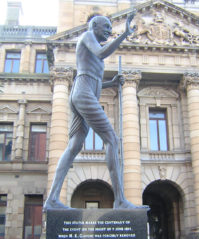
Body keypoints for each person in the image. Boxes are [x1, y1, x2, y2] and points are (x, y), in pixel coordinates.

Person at [43, 13, 148, 211]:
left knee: (74, 146)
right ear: (94, 26)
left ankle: (52, 200)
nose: (109, 30)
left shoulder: (92, 45)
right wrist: (124, 34)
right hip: (83, 92)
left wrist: (112, 82)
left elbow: (94, 79)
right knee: (112, 139)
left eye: (111, 27)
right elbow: (101, 54)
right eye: (106, 26)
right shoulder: (87, 36)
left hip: (83, 90)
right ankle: (119, 201)